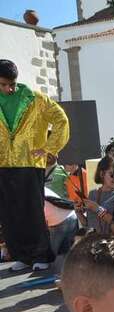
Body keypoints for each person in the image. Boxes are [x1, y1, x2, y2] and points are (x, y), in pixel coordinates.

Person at [0, 59, 70, 272]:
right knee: (9, 213)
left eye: (11, 84)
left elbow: (61, 119)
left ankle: (41, 254)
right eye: (3, 84)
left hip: (30, 162)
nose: (8, 89)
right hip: (3, 162)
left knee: (32, 211)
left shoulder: (35, 99)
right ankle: (21, 255)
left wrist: (49, 148)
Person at [77, 156, 114, 235]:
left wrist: (97, 208)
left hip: (111, 243)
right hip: (93, 242)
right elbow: (88, 224)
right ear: (102, 174)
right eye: (112, 175)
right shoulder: (93, 193)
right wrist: (78, 212)